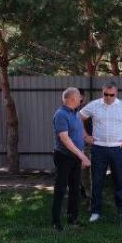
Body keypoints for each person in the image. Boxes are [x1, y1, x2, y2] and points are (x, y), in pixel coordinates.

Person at [78, 81, 122, 222]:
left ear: (116, 93)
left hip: (117, 149)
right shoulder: (94, 105)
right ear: (102, 92)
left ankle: (121, 209)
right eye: (105, 94)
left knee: (118, 180)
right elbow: (78, 117)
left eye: (111, 95)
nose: (108, 97)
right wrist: (86, 136)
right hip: (98, 149)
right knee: (97, 181)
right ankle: (95, 211)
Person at [52, 88, 92, 231]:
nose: (81, 100)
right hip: (63, 157)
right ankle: (56, 221)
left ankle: (72, 218)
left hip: (75, 157)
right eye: (79, 97)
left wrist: (80, 155)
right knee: (60, 189)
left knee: (75, 189)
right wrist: (82, 155)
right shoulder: (61, 114)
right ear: (72, 99)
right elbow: (65, 138)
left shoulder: (75, 114)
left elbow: (78, 137)